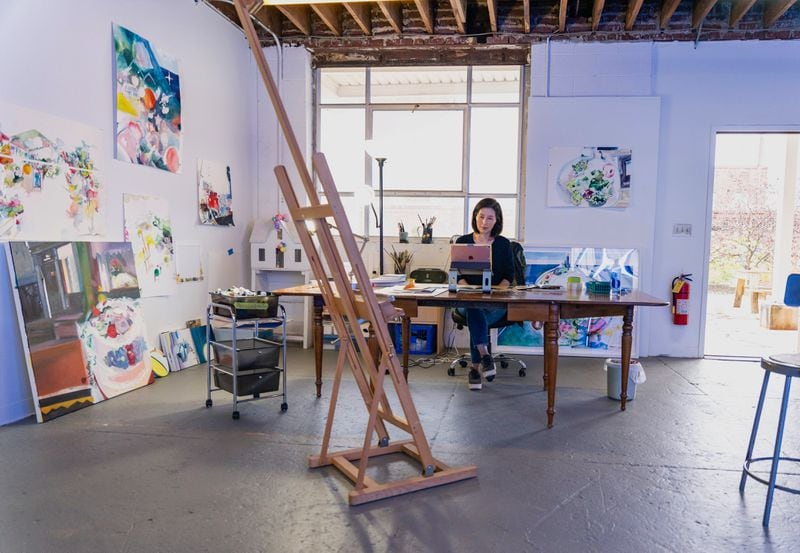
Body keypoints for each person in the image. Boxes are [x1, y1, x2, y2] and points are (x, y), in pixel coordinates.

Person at [455, 198, 514, 391]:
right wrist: (468, 289)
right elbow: (454, 273)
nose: (484, 222)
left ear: (497, 221)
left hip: (494, 303)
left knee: (476, 310)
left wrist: (497, 292)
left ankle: (475, 368)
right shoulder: (462, 242)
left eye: (490, 218)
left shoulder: (504, 244)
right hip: (467, 299)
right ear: (475, 217)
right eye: (481, 217)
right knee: (473, 305)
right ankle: (485, 354)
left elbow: (509, 276)